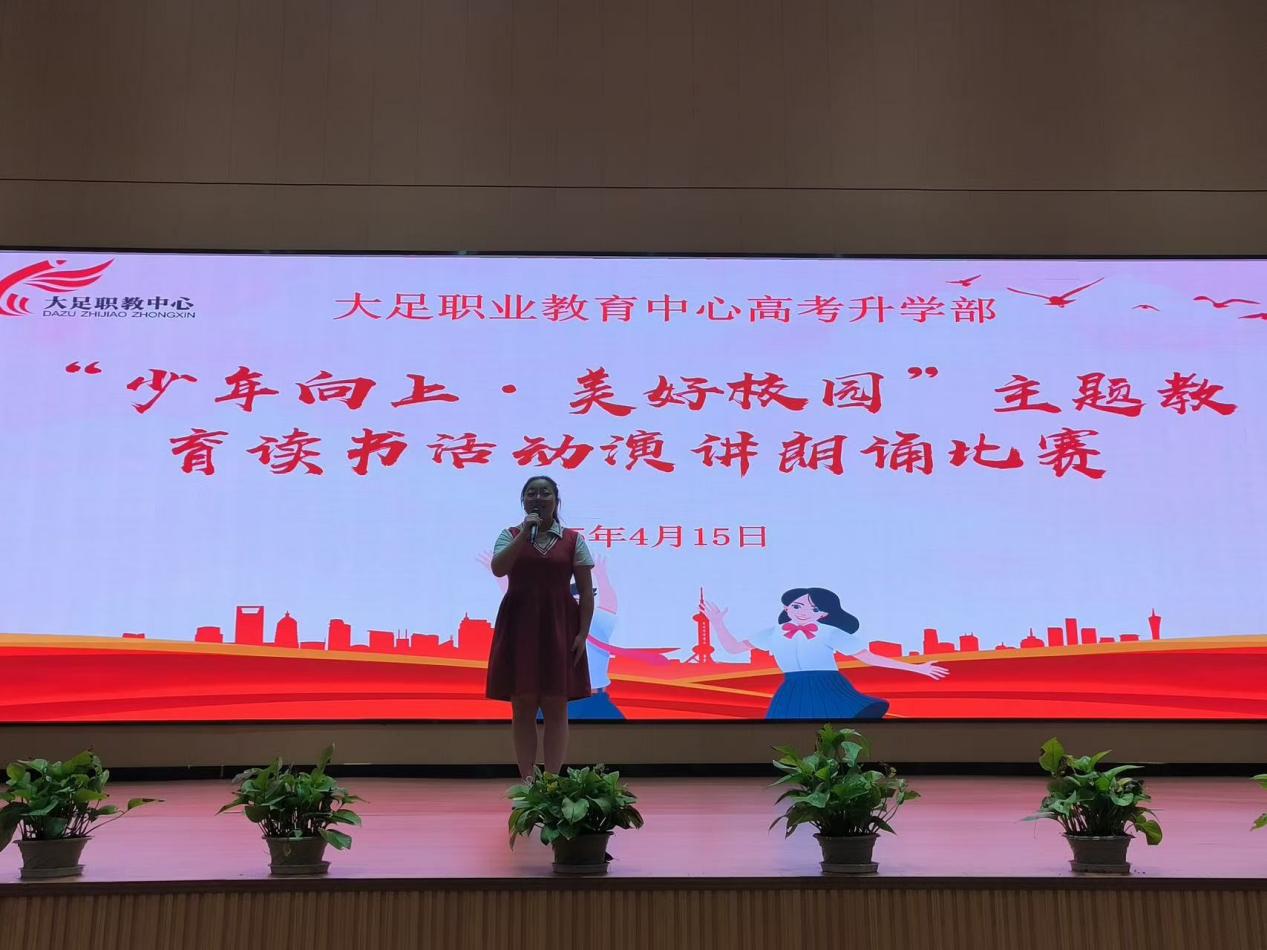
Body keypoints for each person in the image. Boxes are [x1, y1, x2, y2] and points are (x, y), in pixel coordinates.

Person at [486, 476, 594, 779]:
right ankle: (527, 782)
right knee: (522, 703)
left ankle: (552, 781)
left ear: (556, 501)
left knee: (556, 703)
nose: (537, 498)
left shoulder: (573, 540)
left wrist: (582, 633)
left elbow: (586, 592)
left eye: (544, 493)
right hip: (519, 625)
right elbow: (498, 568)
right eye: (531, 493)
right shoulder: (510, 535)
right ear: (523, 501)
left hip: (559, 625)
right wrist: (524, 534)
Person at [704, 587, 948, 720]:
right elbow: (733, 648)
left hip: (828, 686)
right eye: (797, 606)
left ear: (823, 614)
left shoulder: (830, 632)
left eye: (814, 609)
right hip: (793, 688)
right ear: (787, 608)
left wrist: (917, 668)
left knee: (837, 733)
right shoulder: (772, 632)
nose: (803, 612)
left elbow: (868, 657)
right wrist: (717, 623)